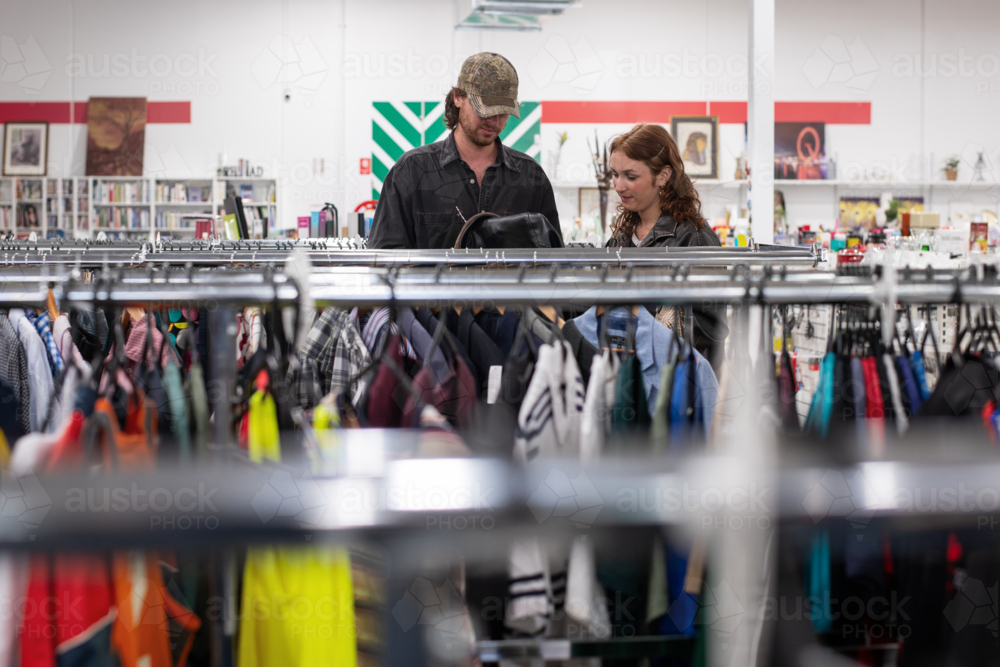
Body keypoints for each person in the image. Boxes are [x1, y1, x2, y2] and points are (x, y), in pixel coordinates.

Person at [368, 52, 559, 249]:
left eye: (503, 112)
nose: (494, 120)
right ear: (458, 97)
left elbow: (552, 261)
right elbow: (385, 260)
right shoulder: (411, 171)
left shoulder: (531, 177)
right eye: (484, 109)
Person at [605, 122, 728, 363]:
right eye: (615, 174)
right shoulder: (621, 236)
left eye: (630, 176)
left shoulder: (695, 238)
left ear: (663, 176)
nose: (619, 186)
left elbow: (712, 330)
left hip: (676, 383)